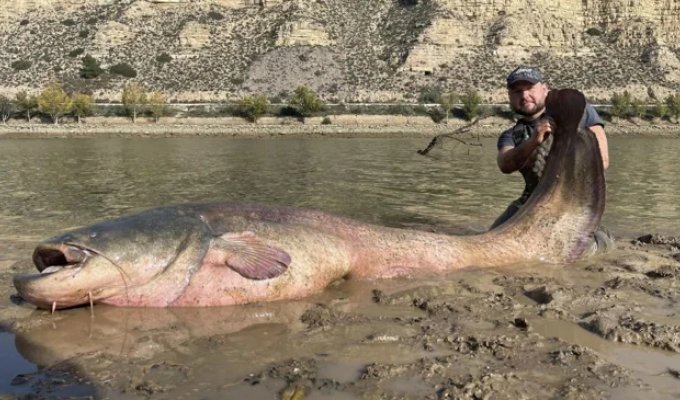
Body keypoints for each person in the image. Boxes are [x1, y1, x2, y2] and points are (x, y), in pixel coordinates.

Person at [491, 66, 613, 252]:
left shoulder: (581, 112)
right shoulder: (510, 135)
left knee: (582, 250)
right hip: (529, 205)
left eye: (530, 88)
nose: (524, 95)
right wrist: (534, 141)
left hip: (574, 206)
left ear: (544, 89)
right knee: (489, 244)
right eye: (517, 91)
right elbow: (504, 164)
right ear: (510, 96)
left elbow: (602, 161)